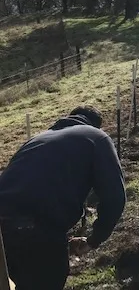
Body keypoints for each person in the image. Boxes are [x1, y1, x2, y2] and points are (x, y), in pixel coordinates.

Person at [0, 105, 126, 290]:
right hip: (39, 229)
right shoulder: (96, 137)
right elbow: (114, 196)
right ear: (96, 125)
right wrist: (95, 239)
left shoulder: (37, 139)